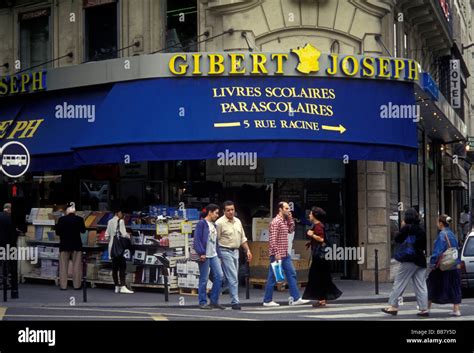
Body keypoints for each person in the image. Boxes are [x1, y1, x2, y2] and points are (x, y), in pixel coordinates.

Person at [381, 208, 428, 316]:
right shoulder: (421, 228)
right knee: (421, 285)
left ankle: (393, 306)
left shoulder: (407, 228)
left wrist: (402, 227)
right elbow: (423, 245)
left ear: (406, 217)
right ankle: (424, 309)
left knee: (399, 282)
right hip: (420, 260)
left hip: (409, 259)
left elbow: (397, 239)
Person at [263, 201, 310, 307]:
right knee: (273, 276)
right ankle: (267, 300)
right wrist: (276, 252)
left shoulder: (284, 221)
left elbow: (291, 230)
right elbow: (273, 239)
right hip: (278, 254)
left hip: (285, 253)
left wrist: (290, 219)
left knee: (291, 273)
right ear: (280, 209)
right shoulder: (276, 222)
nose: (289, 210)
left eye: (289, 208)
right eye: (286, 209)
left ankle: (295, 298)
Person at [216, 201, 253, 310]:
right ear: (224, 211)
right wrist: (218, 256)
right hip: (224, 250)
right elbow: (215, 240)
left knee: (230, 278)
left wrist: (248, 251)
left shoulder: (238, 221)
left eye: (232, 209)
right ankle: (235, 302)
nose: (231, 212)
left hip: (236, 251)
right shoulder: (219, 223)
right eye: (228, 210)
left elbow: (243, 238)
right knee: (233, 277)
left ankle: (214, 293)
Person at [303, 207, 342, 307]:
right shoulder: (318, 225)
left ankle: (323, 298)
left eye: (311, 214)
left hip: (320, 258)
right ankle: (322, 299)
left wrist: (312, 235)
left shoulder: (318, 226)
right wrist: (310, 242)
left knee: (316, 277)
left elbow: (321, 239)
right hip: (321, 257)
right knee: (321, 278)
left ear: (315, 215)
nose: (309, 215)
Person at [427, 214, 462, 317]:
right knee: (454, 286)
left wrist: (432, 264)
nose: (436, 224)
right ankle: (456, 310)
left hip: (442, 266)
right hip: (453, 264)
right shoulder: (452, 234)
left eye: (437, 222)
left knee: (431, 284)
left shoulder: (442, 235)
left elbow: (438, 251)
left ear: (441, 224)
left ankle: (426, 308)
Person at [194, 203, 225, 310]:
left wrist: (219, 256)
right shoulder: (202, 223)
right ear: (210, 212)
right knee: (204, 279)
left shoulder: (214, 225)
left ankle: (214, 300)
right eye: (216, 213)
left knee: (219, 276)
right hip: (205, 255)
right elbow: (197, 239)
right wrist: (201, 252)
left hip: (213, 255)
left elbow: (215, 242)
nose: (217, 215)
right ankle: (202, 302)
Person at [55, 202, 85, 290]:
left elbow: (57, 232)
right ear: (74, 212)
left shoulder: (61, 219)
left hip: (64, 245)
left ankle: (63, 286)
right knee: (77, 266)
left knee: (63, 266)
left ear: (66, 212)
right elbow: (83, 231)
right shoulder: (79, 219)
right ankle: (77, 285)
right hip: (76, 245)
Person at [107, 209, 134, 294]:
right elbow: (123, 233)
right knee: (122, 267)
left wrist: (112, 238)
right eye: (121, 213)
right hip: (120, 247)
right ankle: (122, 286)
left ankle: (116, 286)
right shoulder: (121, 221)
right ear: (118, 213)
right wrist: (129, 236)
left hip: (112, 247)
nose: (122, 215)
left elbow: (106, 235)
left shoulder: (110, 221)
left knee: (114, 268)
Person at [0, 203, 19, 298]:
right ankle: (11, 286)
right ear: (9, 209)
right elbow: (12, 232)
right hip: (8, 245)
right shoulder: (9, 218)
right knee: (11, 264)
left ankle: (2, 280)